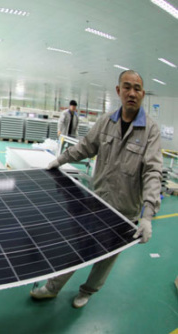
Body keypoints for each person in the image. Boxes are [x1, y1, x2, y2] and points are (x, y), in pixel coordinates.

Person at [31, 70, 162, 308]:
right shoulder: (106, 121)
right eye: (127, 87)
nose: (132, 93)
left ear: (143, 94)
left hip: (125, 211)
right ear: (118, 90)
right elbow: (85, 146)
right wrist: (59, 160)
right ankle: (52, 288)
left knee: (107, 258)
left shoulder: (150, 131)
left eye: (137, 89)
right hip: (96, 202)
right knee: (77, 247)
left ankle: (87, 291)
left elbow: (152, 171)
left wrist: (148, 215)